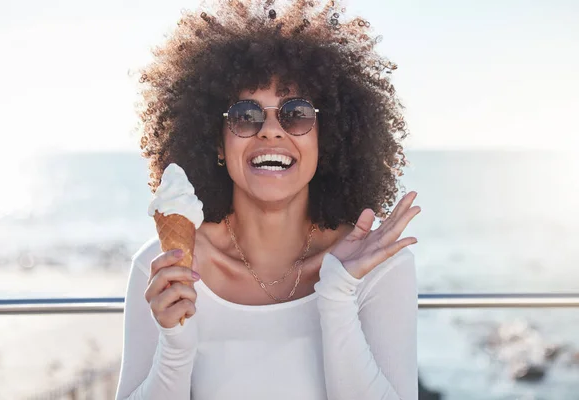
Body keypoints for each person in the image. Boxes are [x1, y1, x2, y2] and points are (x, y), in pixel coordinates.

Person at [115, 0, 421, 398]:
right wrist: (175, 346)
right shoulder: (165, 268)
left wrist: (337, 296)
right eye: (246, 116)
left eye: (296, 114)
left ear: (324, 139)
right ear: (218, 143)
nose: (271, 132)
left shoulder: (378, 265)